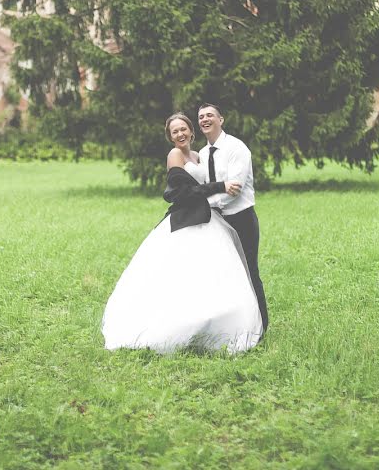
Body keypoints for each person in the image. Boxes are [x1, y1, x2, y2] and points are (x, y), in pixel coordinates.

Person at [101, 113, 263, 353]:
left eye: (183, 129)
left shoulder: (198, 155)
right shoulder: (174, 155)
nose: (180, 134)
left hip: (207, 219)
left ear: (191, 131)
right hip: (185, 219)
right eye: (174, 131)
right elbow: (183, 192)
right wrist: (220, 186)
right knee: (178, 274)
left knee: (210, 275)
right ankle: (174, 326)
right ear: (170, 136)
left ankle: (213, 324)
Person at [197, 103, 268, 332]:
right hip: (215, 222)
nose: (205, 120)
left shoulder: (237, 148)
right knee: (225, 274)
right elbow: (205, 187)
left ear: (221, 120)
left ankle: (261, 325)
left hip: (241, 219)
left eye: (209, 115)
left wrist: (207, 203)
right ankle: (232, 327)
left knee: (249, 272)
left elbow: (234, 190)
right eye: (200, 117)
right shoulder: (202, 153)